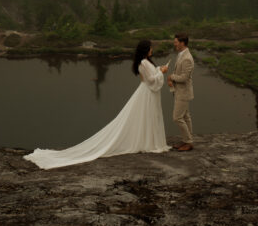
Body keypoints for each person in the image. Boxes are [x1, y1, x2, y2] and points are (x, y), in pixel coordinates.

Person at [24, 40, 170, 169]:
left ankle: (149, 142)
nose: (152, 50)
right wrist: (161, 72)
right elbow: (151, 81)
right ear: (145, 50)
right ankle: (149, 142)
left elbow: (150, 78)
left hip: (148, 93)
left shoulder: (146, 62)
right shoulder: (144, 62)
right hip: (147, 94)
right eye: (150, 48)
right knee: (146, 117)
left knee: (147, 117)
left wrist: (158, 70)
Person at [167, 31, 194, 150]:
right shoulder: (182, 54)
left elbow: (184, 78)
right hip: (181, 91)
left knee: (177, 118)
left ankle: (188, 142)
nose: (174, 44)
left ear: (182, 43)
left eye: (176, 42)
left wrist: (171, 77)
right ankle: (186, 141)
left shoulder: (187, 58)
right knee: (186, 117)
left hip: (183, 93)